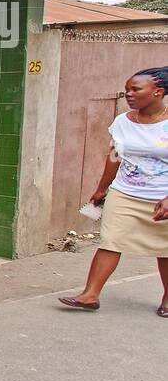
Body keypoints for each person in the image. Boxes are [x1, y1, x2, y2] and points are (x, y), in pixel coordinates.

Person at [59, 66, 168, 316]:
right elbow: (114, 156)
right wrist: (101, 189)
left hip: (162, 197)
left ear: (158, 92)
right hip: (125, 193)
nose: (128, 94)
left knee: (165, 249)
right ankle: (90, 295)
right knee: (110, 241)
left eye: (135, 89)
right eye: (127, 89)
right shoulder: (123, 122)